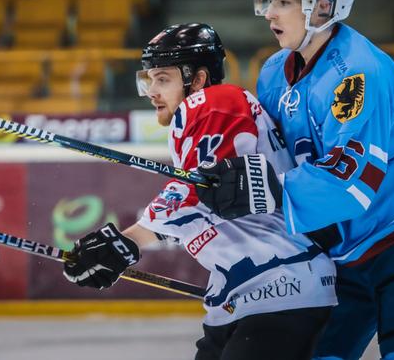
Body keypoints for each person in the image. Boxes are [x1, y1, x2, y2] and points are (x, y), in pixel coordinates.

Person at [195, 0, 394, 360]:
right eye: (269, 0)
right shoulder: (273, 71)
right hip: (340, 253)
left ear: (323, 5)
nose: (270, 13)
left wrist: (266, 187)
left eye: (284, 1)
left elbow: (353, 183)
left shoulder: (357, 74)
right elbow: (272, 155)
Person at [62, 23, 337, 360]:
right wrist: (128, 244)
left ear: (199, 79)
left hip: (281, 286)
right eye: (148, 80)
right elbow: (209, 204)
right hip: (247, 294)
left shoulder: (215, 101)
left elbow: (198, 190)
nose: (152, 91)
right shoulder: (201, 117)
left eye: (162, 79)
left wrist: (128, 242)